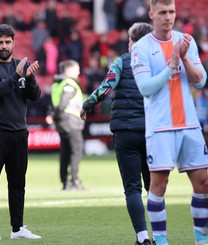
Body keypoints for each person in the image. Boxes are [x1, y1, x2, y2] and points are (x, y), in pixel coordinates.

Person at [131, 1, 208, 244]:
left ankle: (201, 239)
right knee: (159, 185)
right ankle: (162, 241)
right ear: (151, 14)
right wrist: (172, 64)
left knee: (204, 183)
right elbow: (146, 88)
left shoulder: (186, 40)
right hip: (161, 127)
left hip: (189, 125)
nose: (168, 17)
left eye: (171, 12)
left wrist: (184, 59)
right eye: (162, 12)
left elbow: (200, 80)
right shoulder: (141, 48)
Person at [81, 22, 154, 245]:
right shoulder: (157, 63)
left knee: (132, 188)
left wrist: (87, 105)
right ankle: (160, 236)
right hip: (152, 131)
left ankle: (142, 238)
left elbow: (106, 87)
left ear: (132, 41)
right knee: (155, 187)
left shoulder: (123, 61)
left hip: (126, 131)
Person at [0, 24, 42, 241]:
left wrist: (30, 78)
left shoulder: (21, 66)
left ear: (13, 43)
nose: (4, 46)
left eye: (7, 42)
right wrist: (16, 76)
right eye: (0, 42)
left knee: (17, 182)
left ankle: (17, 228)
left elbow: (35, 96)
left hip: (19, 132)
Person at [51, 59, 85, 191]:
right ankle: (74, 181)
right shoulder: (69, 84)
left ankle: (64, 181)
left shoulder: (57, 84)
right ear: (69, 70)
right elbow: (63, 102)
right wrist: (57, 113)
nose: (79, 72)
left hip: (62, 121)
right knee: (76, 151)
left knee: (65, 151)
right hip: (71, 121)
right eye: (77, 69)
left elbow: (55, 102)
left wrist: (54, 115)